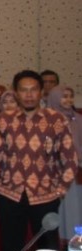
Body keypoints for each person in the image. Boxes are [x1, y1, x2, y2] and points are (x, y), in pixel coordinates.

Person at [0, 70, 77, 251]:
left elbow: (70, 159)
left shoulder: (56, 120)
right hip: (10, 195)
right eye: (23, 90)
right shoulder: (4, 119)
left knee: (49, 249)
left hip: (46, 196)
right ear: (16, 93)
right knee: (11, 249)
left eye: (33, 90)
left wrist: (60, 190)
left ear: (41, 92)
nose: (28, 95)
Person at [47, 86, 82, 240]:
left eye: (70, 96)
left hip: (77, 171)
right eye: (64, 96)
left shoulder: (78, 118)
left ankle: (75, 241)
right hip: (55, 172)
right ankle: (60, 241)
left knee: (76, 208)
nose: (68, 100)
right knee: (60, 209)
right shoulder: (48, 119)